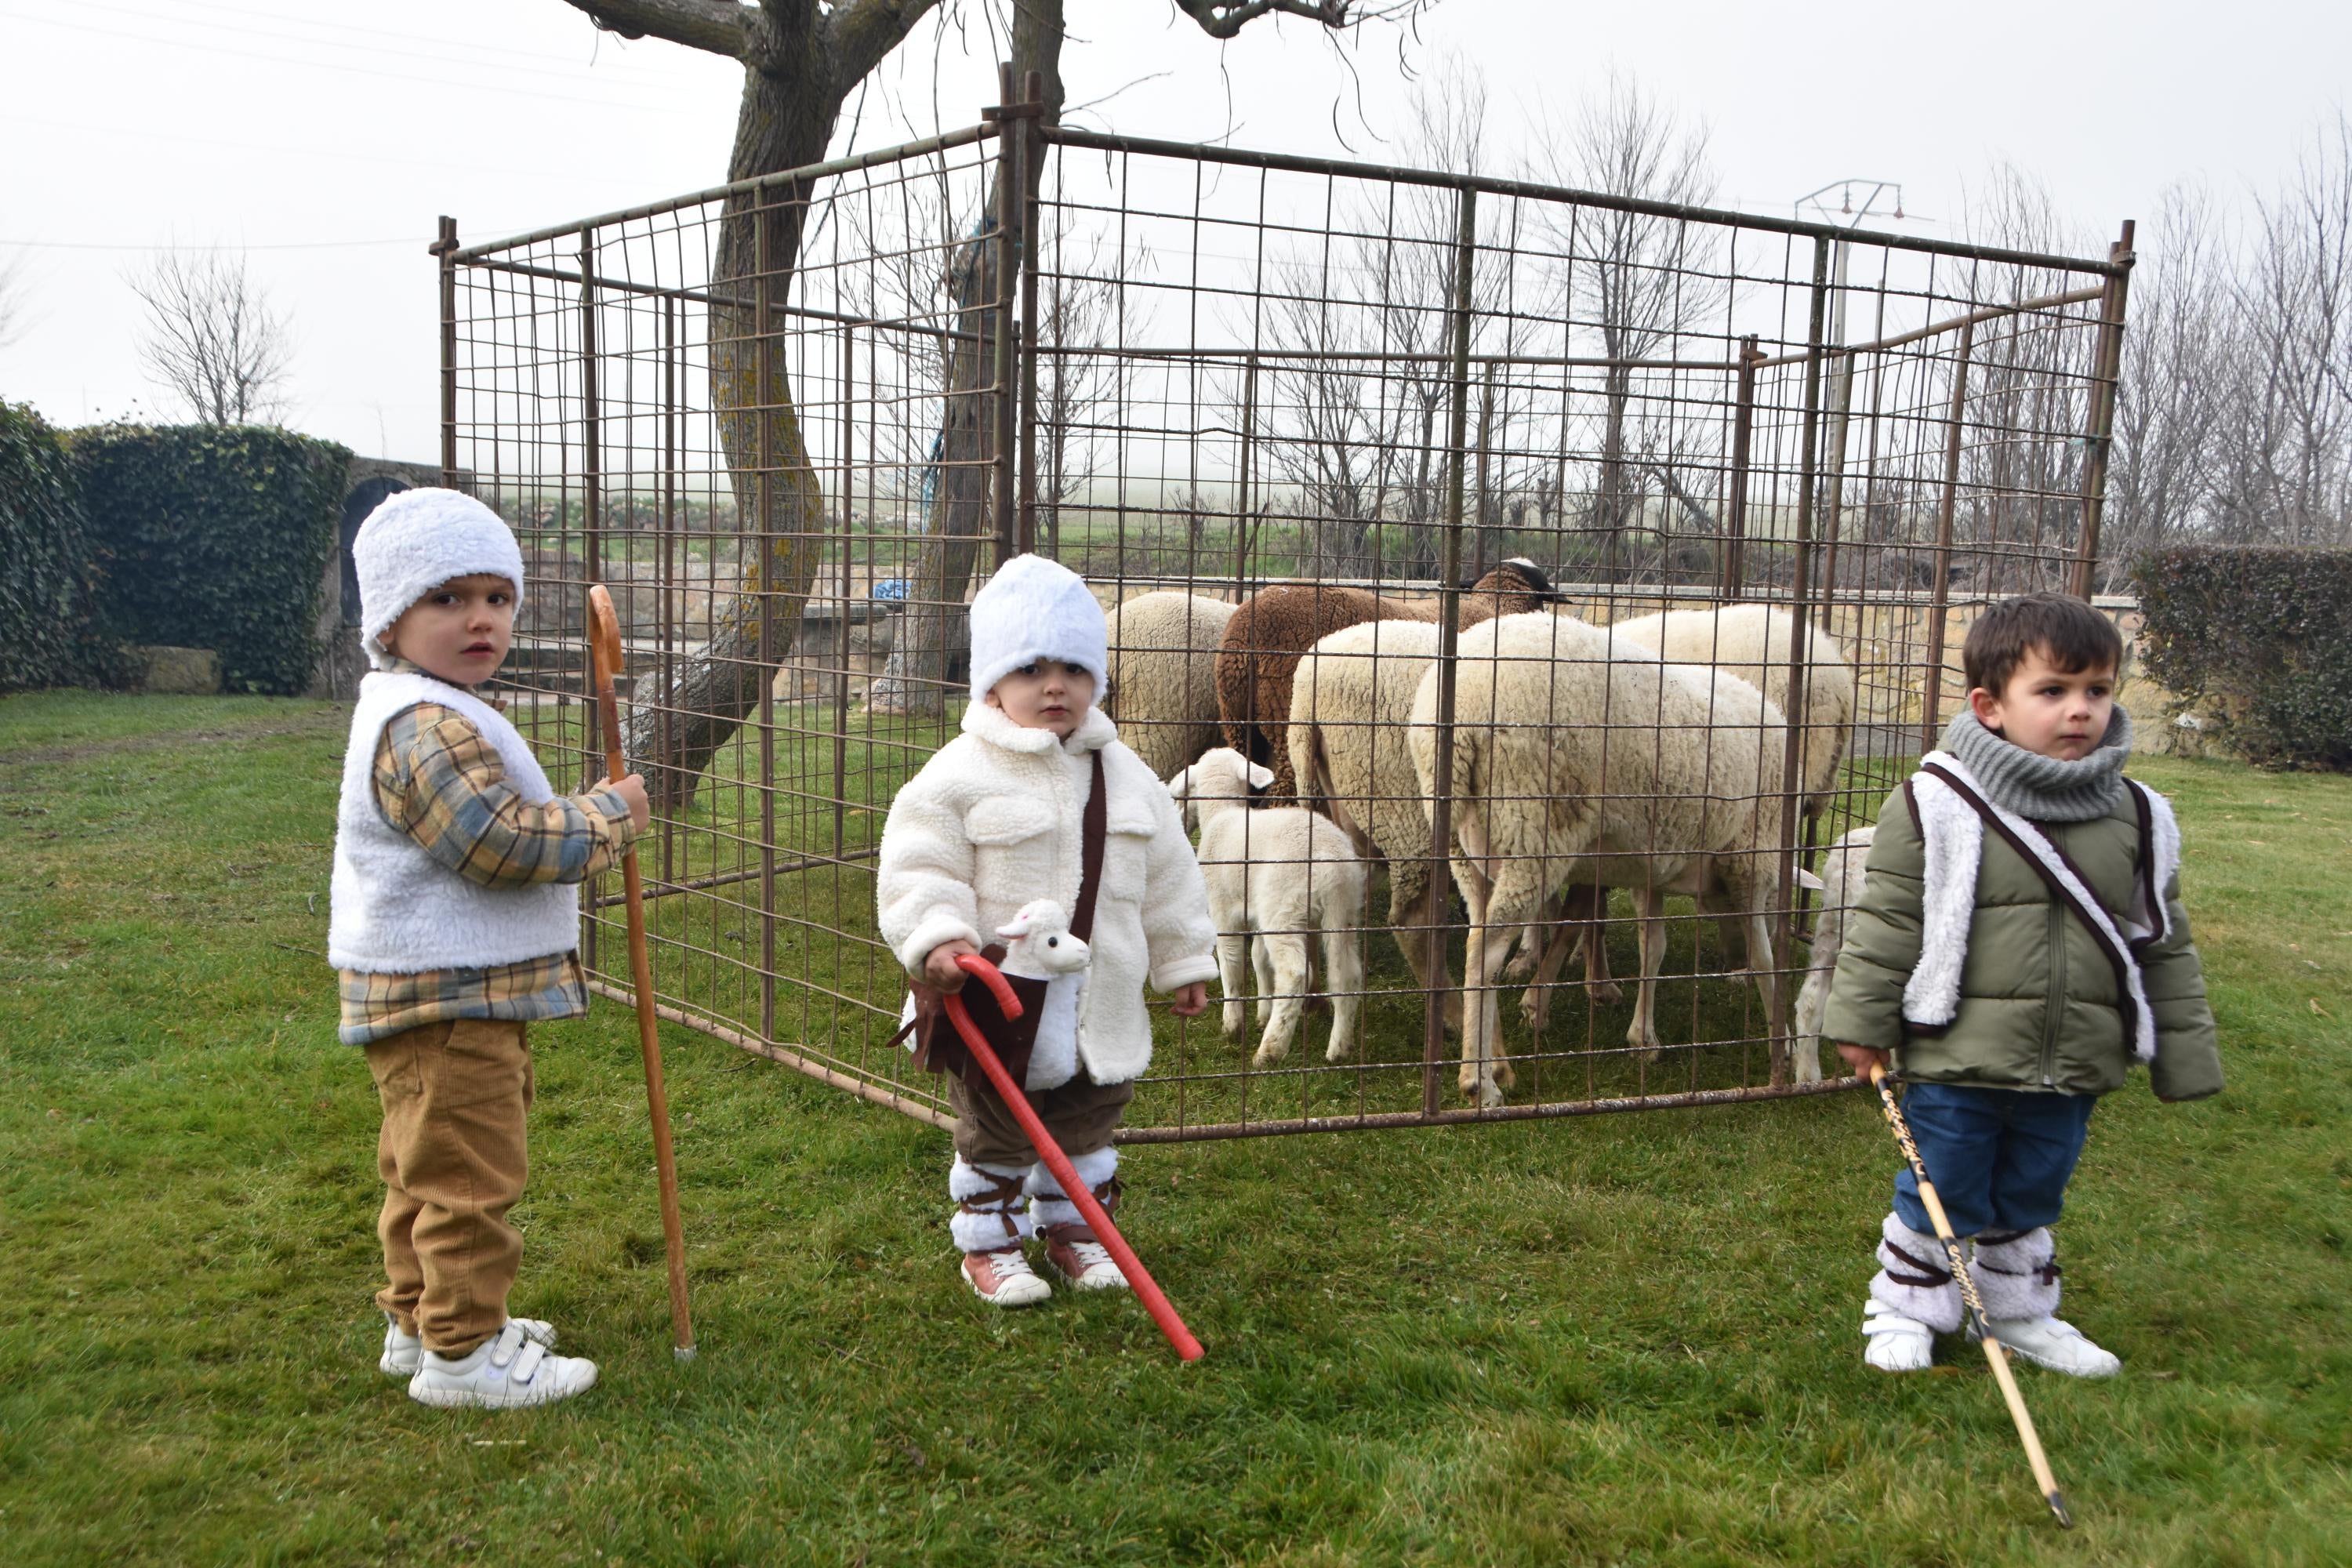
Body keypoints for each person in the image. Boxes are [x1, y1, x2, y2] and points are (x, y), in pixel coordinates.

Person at [1823, 592, 2220, 1377]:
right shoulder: (1936, 803)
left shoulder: (2139, 817)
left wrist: (2185, 1054)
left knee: (2034, 1186)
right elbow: (1887, 924)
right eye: (2053, 690)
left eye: (2097, 690)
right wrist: (1861, 1020)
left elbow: (2163, 945)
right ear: (1989, 705)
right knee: (1946, 1182)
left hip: (2073, 1057)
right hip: (1958, 1050)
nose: (2080, 710)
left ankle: (2017, 1311)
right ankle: (1904, 1303)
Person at [328, 488, 649, 1407]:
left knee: (420, 1168)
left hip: (427, 994)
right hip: (448, 1000)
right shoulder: (424, 725)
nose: (481, 618)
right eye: (448, 598)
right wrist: (607, 817)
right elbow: (496, 842)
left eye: (497, 597)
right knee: (468, 1175)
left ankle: (416, 1321)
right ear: (392, 617)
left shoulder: (426, 705)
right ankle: (463, 1357)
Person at [876, 554, 1218, 1308]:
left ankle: (1073, 1230)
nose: (1053, 684)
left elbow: (1170, 875)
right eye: (1029, 667)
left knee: (1090, 1121)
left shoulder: (1131, 778)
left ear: (1097, 678)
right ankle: (990, 1245)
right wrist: (937, 936)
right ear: (993, 683)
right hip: (999, 998)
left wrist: (1184, 956)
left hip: (1104, 997)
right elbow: (919, 864)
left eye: (1072, 666)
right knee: (997, 1132)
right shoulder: (957, 773)